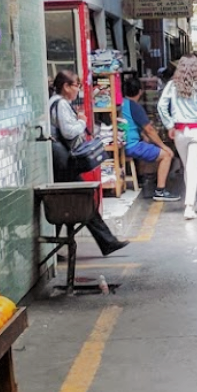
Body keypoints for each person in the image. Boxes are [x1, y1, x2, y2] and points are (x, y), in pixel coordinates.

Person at [47, 72, 128, 255]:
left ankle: (104, 242)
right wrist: (82, 122)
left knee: (72, 202)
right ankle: (107, 242)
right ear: (66, 86)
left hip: (61, 162)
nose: (78, 89)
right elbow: (68, 132)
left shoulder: (54, 102)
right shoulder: (60, 103)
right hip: (64, 163)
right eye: (76, 85)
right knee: (82, 200)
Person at [157, 55, 197, 220]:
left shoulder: (172, 85)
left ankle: (192, 202)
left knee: (188, 166)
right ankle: (189, 206)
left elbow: (161, 106)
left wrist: (169, 125)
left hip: (180, 131)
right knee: (193, 167)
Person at [121, 74, 176, 201]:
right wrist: (164, 146)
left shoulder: (121, 104)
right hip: (132, 145)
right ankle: (160, 191)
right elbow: (149, 130)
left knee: (147, 145)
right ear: (140, 92)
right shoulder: (135, 106)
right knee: (167, 155)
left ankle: (141, 179)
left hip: (123, 143)